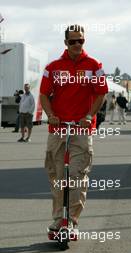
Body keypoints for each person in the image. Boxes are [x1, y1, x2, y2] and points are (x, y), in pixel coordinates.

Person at [40, 24, 108, 231]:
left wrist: (89, 116)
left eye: (81, 40)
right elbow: (43, 95)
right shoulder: (53, 67)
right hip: (58, 129)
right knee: (58, 176)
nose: (77, 44)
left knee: (77, 175)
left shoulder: (95, 65)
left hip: (81, 129)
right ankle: (58, 218)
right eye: (73, 41)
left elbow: (101, 93)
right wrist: (50, 115)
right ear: (66, 43)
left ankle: (71, 220)